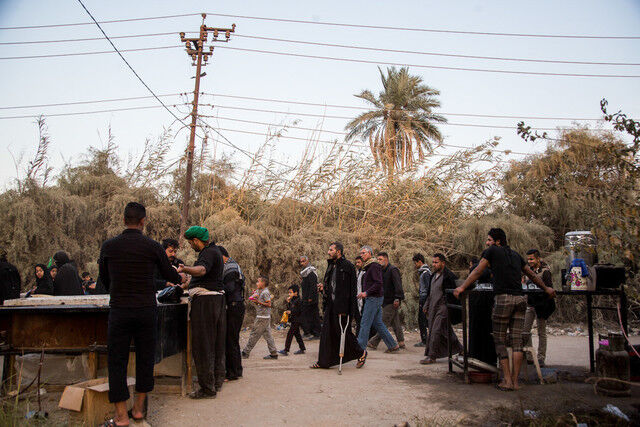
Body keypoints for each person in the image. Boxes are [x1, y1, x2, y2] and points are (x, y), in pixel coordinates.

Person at [98, 202, 185, 426]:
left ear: (123, 219)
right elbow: (170, 275)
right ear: (143, 221)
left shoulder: (109, 246)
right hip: (146, 310)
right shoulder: (152, 246)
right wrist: (179, 278)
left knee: (117, 361)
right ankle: (138, 410)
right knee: (145, 359)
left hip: (119, 310)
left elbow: (105, 280)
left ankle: (120, 415)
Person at [454, 228, 556, 391]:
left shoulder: (492, 252)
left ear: (497, 241)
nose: (487, 243)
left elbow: (478, 271)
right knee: (516, 342)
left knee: (500, 340)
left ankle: (507, 380)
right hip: (521, 300)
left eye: (489, 239)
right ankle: (516, 383)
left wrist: (462, 287)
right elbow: (531, 275)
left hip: (504, 299)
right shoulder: (515, 254)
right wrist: (546, 288)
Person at [178, 226, 227, 399]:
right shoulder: (215, 252)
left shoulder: (207, 253)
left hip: (206, 303)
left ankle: (207, 388)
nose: (191, 246)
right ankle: (217, 381)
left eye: (191, 243)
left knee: (203, 344)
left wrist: (184, 269)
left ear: (197, 241)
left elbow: (202, 270)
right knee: (216, 343)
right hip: (217, 301)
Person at [312, 242, 366, 369]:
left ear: (339, 252)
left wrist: (348, 310)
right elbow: (331, 286)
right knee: (326, 334)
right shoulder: (331, 266)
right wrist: (323, 289)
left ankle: (361, 352)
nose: (329, 252)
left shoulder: (348, 267)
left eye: (331, 250)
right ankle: (324, 362)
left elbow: (351, 290)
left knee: (343, 333)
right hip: (330, 306)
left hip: (342, 307)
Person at [420, 253, 463, 365]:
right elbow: (430, 293)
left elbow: (453, 294)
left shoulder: (449, 276)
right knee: (446, 331)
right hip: (433, 307)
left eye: (436, 262)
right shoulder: (433, 276)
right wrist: (426, 305)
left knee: (436, 330)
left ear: (443, 263)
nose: (434, 264)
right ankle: (461, 349)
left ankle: (432, 356)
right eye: (433, 262)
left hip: (443, 308)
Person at [356, 246, 399, 354]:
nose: (362, 255)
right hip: (375, 297)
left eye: (364, 253)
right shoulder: (369, 266)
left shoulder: (373, 266)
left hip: (373, 298)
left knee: (365, 323)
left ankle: (360, 348)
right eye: (361, 253)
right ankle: (393, 345)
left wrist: (366, 292)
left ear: (370, 253)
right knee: (378, 323)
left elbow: (378, 283)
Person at [523, 249, 555, 367]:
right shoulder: (528, 271)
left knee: (541, 331)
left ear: (538, 259)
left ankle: (541, 357)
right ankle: (529, 355)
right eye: (528, 259)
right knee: (525, 331)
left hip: (541, 305)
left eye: (531, 259)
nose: (530, 261)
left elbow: (549, 289)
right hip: (530, 304)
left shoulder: (545, 272)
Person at [219, 246, 245, 381]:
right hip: (238, 305)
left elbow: (229, 288)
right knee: (233, 339)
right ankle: (237, 369)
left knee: (230, 340)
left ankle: (232, 373)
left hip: (234, 306)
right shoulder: (234, 266)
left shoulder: (230, 269)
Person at [368, 252, 405, 349]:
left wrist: (397, 298)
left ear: (386, 259)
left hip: (392, 300)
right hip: (385, 300)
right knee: (395, 321)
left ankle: (373, 342)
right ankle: (401, 341)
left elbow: (398, 285)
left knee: (383, 323)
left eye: (380, 259)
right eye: (378, 259)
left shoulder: (393, 270)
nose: (379, 261)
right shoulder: (381, 270)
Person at [242, 276, 278, 360]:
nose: (257, 283)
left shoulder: (265, 292)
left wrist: (258, 302)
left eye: (258, 282)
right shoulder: (261, 291)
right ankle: (273, 353)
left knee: (254, 334)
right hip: (265, 316)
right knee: (268, 335)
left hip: (262, 317)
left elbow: (269, 304)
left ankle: (246, 352)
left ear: (263, 283)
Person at [279, 284, 306, 356]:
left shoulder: (299, 301)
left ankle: (286, 350)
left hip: (297, 320)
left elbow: (299, 311)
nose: (289, 294)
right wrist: (288, 303)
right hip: (294, 319)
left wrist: (291, 312)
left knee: (290, 334)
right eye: (289, 292)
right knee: (297, 334)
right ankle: (302, 348)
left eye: (291, 292)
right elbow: (290, 308)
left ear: (296, 293)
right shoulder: (293, 300)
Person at [299, 256, 321, 339]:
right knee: (308, 315)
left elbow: (313, 286)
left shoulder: (311, 272)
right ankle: (310, 331)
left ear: (307, 261)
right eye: (301, 262)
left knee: (313, 315)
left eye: (303, 261)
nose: (302, 263)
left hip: (311, 298)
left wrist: (310, 297)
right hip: (306, 297)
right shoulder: (304, 272)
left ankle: (316, 333)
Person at [413, 253, 431, 347]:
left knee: (422, 320)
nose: (415, 265)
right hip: (424, 297)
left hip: (424, 298)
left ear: (420, 262)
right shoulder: (424, 272)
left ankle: (425, 340)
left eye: (415, 263)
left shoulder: (425, 273)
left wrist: (426, 302)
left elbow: (428, 288)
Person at [354, 255, 365, 334]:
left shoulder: (364, 273)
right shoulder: (358, 273)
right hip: (359, 297)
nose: (357, 264)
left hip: (364, 298)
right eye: (356, 263)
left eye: (359, 262)